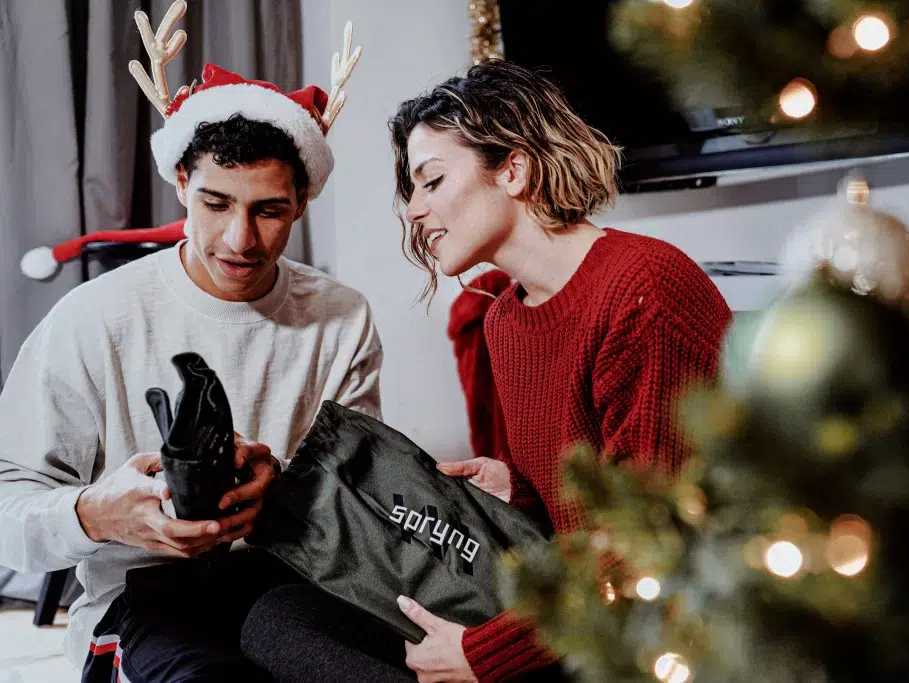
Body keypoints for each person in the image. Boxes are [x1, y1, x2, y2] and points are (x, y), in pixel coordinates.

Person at [243, 60, 732, 683]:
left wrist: (485, 654)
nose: (414, 211)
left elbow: (656, 541)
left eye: (432, 181)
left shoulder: (645, 290)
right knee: (282, 619)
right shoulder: (504, 320)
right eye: (412, 189)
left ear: (514, 168)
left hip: (645, 631)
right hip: (562, 591)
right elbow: (566, 517)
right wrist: (517, 488)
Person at [0, 5, 379, 682]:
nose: (240, 239)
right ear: (181, 183)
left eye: (268, 210)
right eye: (214, 203)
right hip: (141, 608)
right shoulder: (91, 319)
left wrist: (281, 498)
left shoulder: (341, 318)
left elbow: (362, 503)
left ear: (301, 202)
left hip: (295, 592)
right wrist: (97, 513)